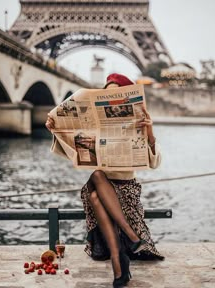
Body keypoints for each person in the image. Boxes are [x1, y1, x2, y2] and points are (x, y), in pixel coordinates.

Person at [45, 73, 164, 288]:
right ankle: (130, 237)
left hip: (125, 188)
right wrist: (55, 130)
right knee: (97, 177)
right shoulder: (96, 125)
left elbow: (154, 164)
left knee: (94, 194)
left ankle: (119, 262)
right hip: (100, 182)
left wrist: (150, 134)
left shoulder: (140, 122)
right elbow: (76, 155)